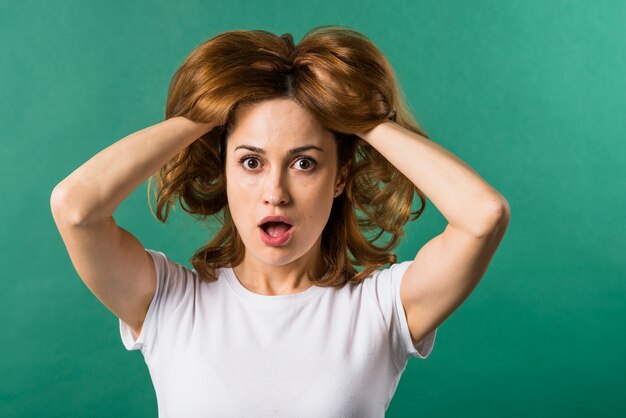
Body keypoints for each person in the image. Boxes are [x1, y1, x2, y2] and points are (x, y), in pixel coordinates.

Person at [50, 25, 510, 417]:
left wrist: (358, 116)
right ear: (224, 169)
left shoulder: (381, 310)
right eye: (251, 162)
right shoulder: (169, 303)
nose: (275, 193)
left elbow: (483, 216)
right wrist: (204, 113)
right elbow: (75, 209)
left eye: (304, 163)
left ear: (340, 176)